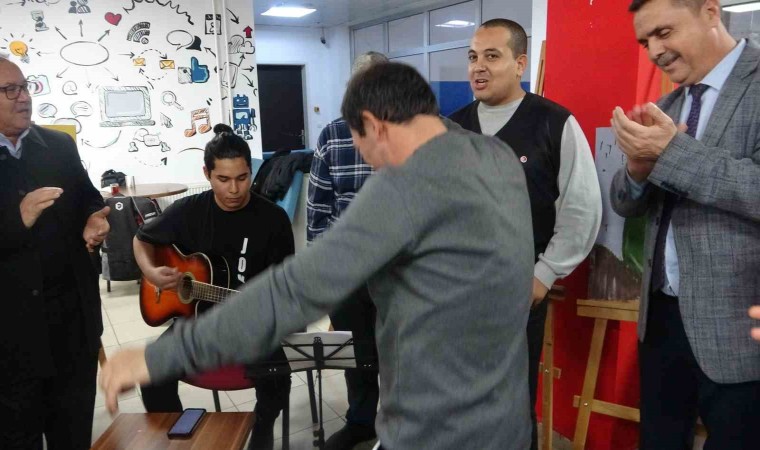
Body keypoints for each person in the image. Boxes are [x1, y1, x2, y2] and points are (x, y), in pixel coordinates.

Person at [101, 62, 535, 450]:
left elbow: (292, 293)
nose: (371, 165)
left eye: (362, 148)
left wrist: (154, 358)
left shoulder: (405, 186)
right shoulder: (496, 156)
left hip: (437, 431)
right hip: (509, 422)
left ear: (373, 125)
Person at [610, 1, 760, 448]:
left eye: (664, 32)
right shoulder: (667, 105)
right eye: (645, 41)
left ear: (710, 12)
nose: (655, 51)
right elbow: (624, 203)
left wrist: (672, 154)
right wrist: (637, 170)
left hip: (739, 324)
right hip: (661, 318)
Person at [448, 18, 602, 449]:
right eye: (472, 57)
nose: (478, 67)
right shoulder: (450, 128)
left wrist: (543, 275)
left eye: (491, 56)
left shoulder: (553, 123)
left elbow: (582, 207)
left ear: (520, 64)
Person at [133, 124, 294, 450]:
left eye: (242, 177)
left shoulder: (273, 220)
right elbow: (141, 239)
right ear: (207, 174)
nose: (234, 189)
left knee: (277, 377)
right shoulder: (189, 210)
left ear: (251, 172)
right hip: (195, 322)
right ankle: (180, 437)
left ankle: (261, 433)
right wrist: (151, 272)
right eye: (223, 179)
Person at [0, 56, 110, 449]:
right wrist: (17, 220)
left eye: (25, 86)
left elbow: (89, 198)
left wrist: (94, 219)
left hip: (72, 328)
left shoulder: (59, 146)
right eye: (9, 90)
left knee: (73, 435)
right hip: (10, 342)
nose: (23, 97)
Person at [307, 50, 388, 450]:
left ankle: (402, 425)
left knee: (401, 353)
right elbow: (318, 211)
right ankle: (361, 421)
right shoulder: (334, 135)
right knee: (355, 352)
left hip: (400, 273)